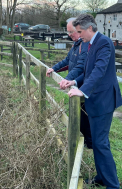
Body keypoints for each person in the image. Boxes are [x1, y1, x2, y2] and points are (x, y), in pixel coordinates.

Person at [66, 14, 122, 189]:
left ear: (90, 28)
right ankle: (101, 178)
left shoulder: (104, 43)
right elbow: (88, 71)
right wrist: (74, 82)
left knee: (101, 143)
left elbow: (99, 70)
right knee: (98, 142)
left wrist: (81, 90)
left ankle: (113, 185)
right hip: (95, 100)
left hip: (103, 100)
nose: (79, 35)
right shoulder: (90, 43)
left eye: (80, 31)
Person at [46, 18, 92, 149]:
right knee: (77, 116)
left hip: (82, 86)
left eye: (72, 31)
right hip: (75, 85)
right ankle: (80, 143)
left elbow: (81, 67)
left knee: (84, 118)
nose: (70, 35)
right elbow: (68, 61)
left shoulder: (84, 46)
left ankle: (89, 146)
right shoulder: (75, 45)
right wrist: (54, 68)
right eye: (68, 32)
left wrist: (67, 79)